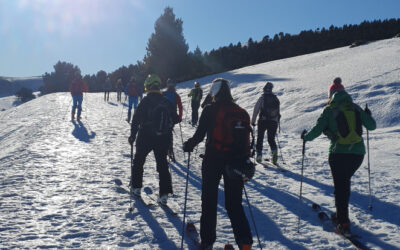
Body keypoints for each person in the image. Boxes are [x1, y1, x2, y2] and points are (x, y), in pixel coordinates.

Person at [183, 78, 253, 250]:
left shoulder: (210, 109)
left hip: (213, 159)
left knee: (209, 201)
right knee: (234, 204)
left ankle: (207, 242)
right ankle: (245, 243)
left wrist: (188, 145)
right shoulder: (241, 111)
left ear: (214, 91)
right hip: (236, 163)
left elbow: (199, 136)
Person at [301, 90, 376, 236]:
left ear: (332, 97)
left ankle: (343, 223)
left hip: (338, 154)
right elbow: (372, 126)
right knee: (344, 183)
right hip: (357, 154)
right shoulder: (355, 107)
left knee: (340, 187)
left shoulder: (329, 110)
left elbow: (316, 130)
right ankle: (341, 215)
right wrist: (368, 115)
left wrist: (305, 137)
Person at [128, 74, 179, 205]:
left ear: (148, 86)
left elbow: (136, 120)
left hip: (145, 135)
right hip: (163, 137)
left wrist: (133, 135)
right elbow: (176, 118)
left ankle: (136, 187)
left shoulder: (145, 100)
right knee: (162, 164)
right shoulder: (166, 101)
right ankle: (164, 195)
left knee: (139, 160)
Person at [251, 82, 281, 165]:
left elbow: (256, 110)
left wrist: (253, 121)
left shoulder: (262, 98)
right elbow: (278, 112)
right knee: (271, 139)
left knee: (260, 138)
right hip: (273, 122)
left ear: (264, 89)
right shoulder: (275, 98)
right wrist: (276, 121)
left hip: (263, 121)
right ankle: (274, 152)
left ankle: (259, 155)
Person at [163, 79, 183, 162]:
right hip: (172, 117)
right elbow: (180, 107)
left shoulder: (163, 94)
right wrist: (180, 117)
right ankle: (170, 151)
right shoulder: (176, 95)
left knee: (163, 132)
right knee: (169, 133)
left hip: (163, 116)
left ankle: (164, 150)